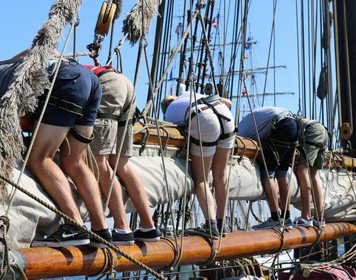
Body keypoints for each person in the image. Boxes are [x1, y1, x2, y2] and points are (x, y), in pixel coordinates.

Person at [1, 51, 111, 247]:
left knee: (40, 159)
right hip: (88, 80)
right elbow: (42, 50)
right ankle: (101, 229)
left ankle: (74, 225)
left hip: (65, 81)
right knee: (75, 161)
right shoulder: (9, 64)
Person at [84, 65, 160, 243]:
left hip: (107, 85)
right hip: (124, 84)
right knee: (121, 163)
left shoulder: (49, 71)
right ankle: (148, 226)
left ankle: (123, 227)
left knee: (98, 161)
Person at [161, 85, 235, 239]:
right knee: (221, 175)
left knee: (202, 179)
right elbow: (229, 103)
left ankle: (211, 225)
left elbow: (169, 133)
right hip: (225, 115)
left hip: (203, 119)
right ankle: (222, 224)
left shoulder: (169, 112)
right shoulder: (191, 95)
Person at [237, 107, 299, 230]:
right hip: (294, 124)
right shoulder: (246, 124)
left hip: (282, 125)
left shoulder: (241, 135)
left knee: (267, 173)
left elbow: (247, 149)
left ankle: (275, 219)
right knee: (282, 174)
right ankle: (286, 218)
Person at [294, 118, 328, 227]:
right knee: (313, 175)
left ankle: (306, 217)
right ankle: (320, 218)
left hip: (312, 131)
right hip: (322, 130)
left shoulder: (281, 124)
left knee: (302, 170)